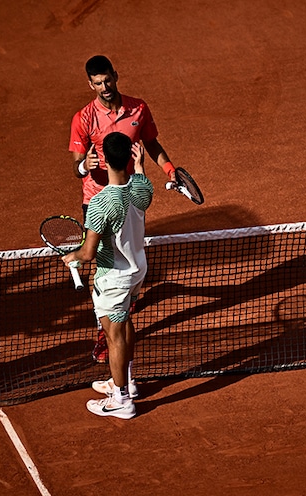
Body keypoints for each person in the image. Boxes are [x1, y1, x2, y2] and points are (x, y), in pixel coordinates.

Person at [69, 54, 177, 364]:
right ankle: (105, 327)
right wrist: (82, 168)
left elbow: (151, 142)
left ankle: (119, 310)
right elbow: (75, 164)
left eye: (108, 80)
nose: (105, 87)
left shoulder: (138, 108)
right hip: (96, 199)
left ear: (116, 76)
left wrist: (169, 169)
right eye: (98, 83)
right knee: (103, 259)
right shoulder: (84, 118)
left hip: (129, 194)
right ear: (90, 84)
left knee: (127, 253)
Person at [63, 131, 154, 419]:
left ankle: (121, 400)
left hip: (114, 278)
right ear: (130, 157)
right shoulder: (142, 188)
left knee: (114, 337)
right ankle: (125, 382)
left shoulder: (101, 203)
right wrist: (140, 167)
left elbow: (88, 253)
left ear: (103, 160)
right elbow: (139, 179)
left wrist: (71, 256)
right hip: (137, 271)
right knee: (125, 324)